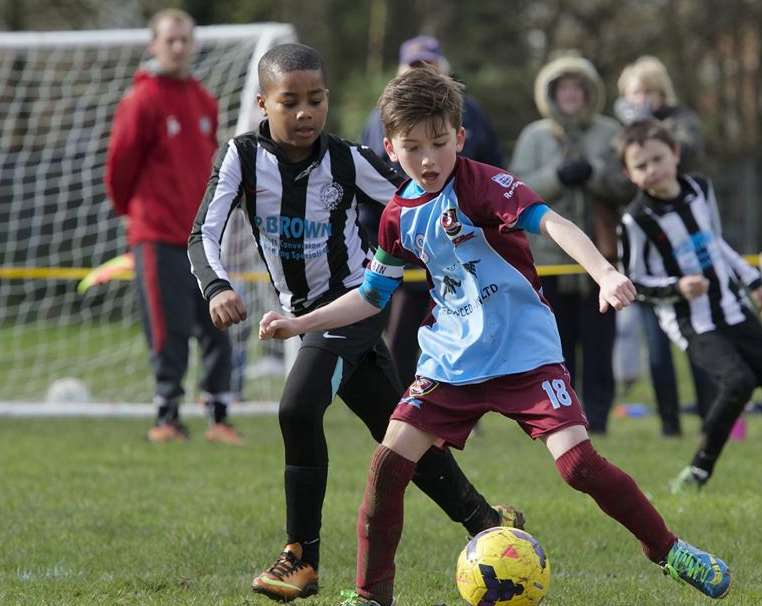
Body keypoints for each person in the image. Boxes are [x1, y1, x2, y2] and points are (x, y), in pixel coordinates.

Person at [259, 66, 732, 606]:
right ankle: (372, 597)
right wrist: (300, 323)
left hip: (525, 353)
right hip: (452, 361)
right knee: (389, 466)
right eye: (413, 148)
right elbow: (371, 295)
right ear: (390, 149)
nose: (429, 160)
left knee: (577, 466)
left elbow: (553, 223)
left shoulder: (483, 184)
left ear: (459, 138)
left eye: (439, 143)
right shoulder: (396, 215)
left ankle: (669, 550)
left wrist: (604, 272)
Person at [187, 44, 522, 603]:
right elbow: (203, 233)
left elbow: (421, 189)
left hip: (354, 306)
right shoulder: (241, 158)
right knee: (398, 436)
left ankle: (301, 558)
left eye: (315, 100)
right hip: (307, 316)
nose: (304, 113)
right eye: (288, 101)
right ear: (262, 104)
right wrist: (218, 286)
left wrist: (481, 232)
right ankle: (485, 519)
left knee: (296, 408)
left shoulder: (346, 159)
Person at [617, 119, 762, 495]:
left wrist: (755, 283)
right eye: (641, 166)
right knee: (737, 382)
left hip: (733, 309)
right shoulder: (635, 219)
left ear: (675, 154)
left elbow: (716, 243)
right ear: (628, 172)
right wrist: (678, 287)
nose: (652, 170)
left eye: (658, 159)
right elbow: (633, 282)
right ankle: (698, 472)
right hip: (693, 322)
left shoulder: (700, 189)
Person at [105, 8, 240, 445]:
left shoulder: (204, 99)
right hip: (156, 236)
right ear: (154, 45)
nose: (179, 47)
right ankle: (167, 417)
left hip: (200, 238)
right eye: (170, 40)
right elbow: (119, 169)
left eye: (185, 39)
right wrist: (139, 218)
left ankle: (219, 417)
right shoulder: (140, 101)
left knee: (220, 322)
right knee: (170, 330)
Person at [361, 34, 503, 388]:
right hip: (410, 244)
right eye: (414, 65)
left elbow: (493, 171)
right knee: (404, 329)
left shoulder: (473, 113)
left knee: (470, 323)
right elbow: (367, 184)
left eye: (430, 64)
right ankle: (402, 396)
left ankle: (469, 397)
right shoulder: (380, 118)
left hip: (463, 244)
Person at [510, 54, 630, 434]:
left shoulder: (610, 131)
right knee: (556, 346)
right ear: (551, 93)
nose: (571, 94)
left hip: (601, 259)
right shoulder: (535, 136)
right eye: (564, 88)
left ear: (589, 92)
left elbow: (627, 183)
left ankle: (599, 419)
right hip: (548, 259)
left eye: (578, 87)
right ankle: (565, 418)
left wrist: (593, 174)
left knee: (599, 346)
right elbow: (516, 189)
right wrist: (557, 176)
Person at [614, 55, 715, 434]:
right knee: (656, 346)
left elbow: (689, 153)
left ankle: (710, 416)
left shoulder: (682, 122)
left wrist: (650, 130)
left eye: (647, 92)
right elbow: (616, 178)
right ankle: (670, 423)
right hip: (647, 245)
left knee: (702, 341)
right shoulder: (619, 132)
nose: (640, 99)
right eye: (633, 93)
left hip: (685, 247)